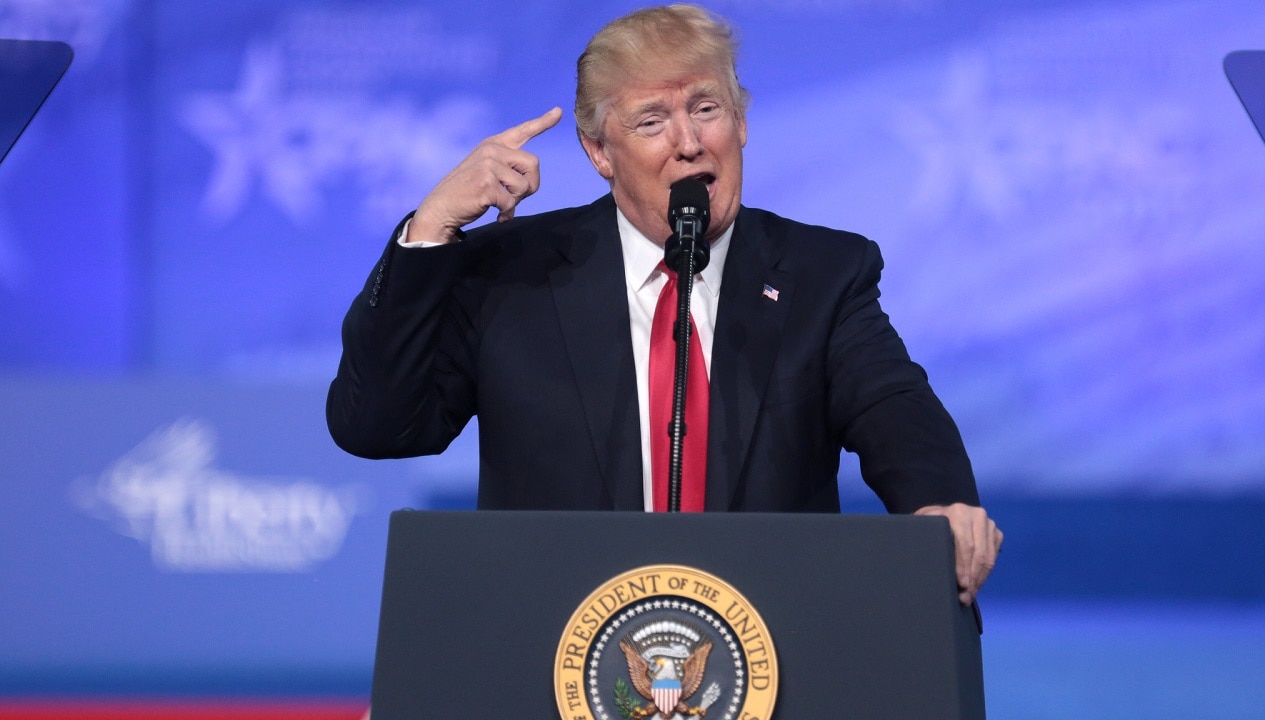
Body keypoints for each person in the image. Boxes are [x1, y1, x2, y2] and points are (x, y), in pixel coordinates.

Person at [327, 3, 1001, 605]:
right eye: (653, 120)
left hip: (770, 647)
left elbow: (895, 408)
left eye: (706, 109)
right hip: (549, 646)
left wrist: (938, 503)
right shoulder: (512, 275)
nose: (688, 141)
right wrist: (431, 229)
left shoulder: (821, 275)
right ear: (599, 151)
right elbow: (378, 426)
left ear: (740, 123)